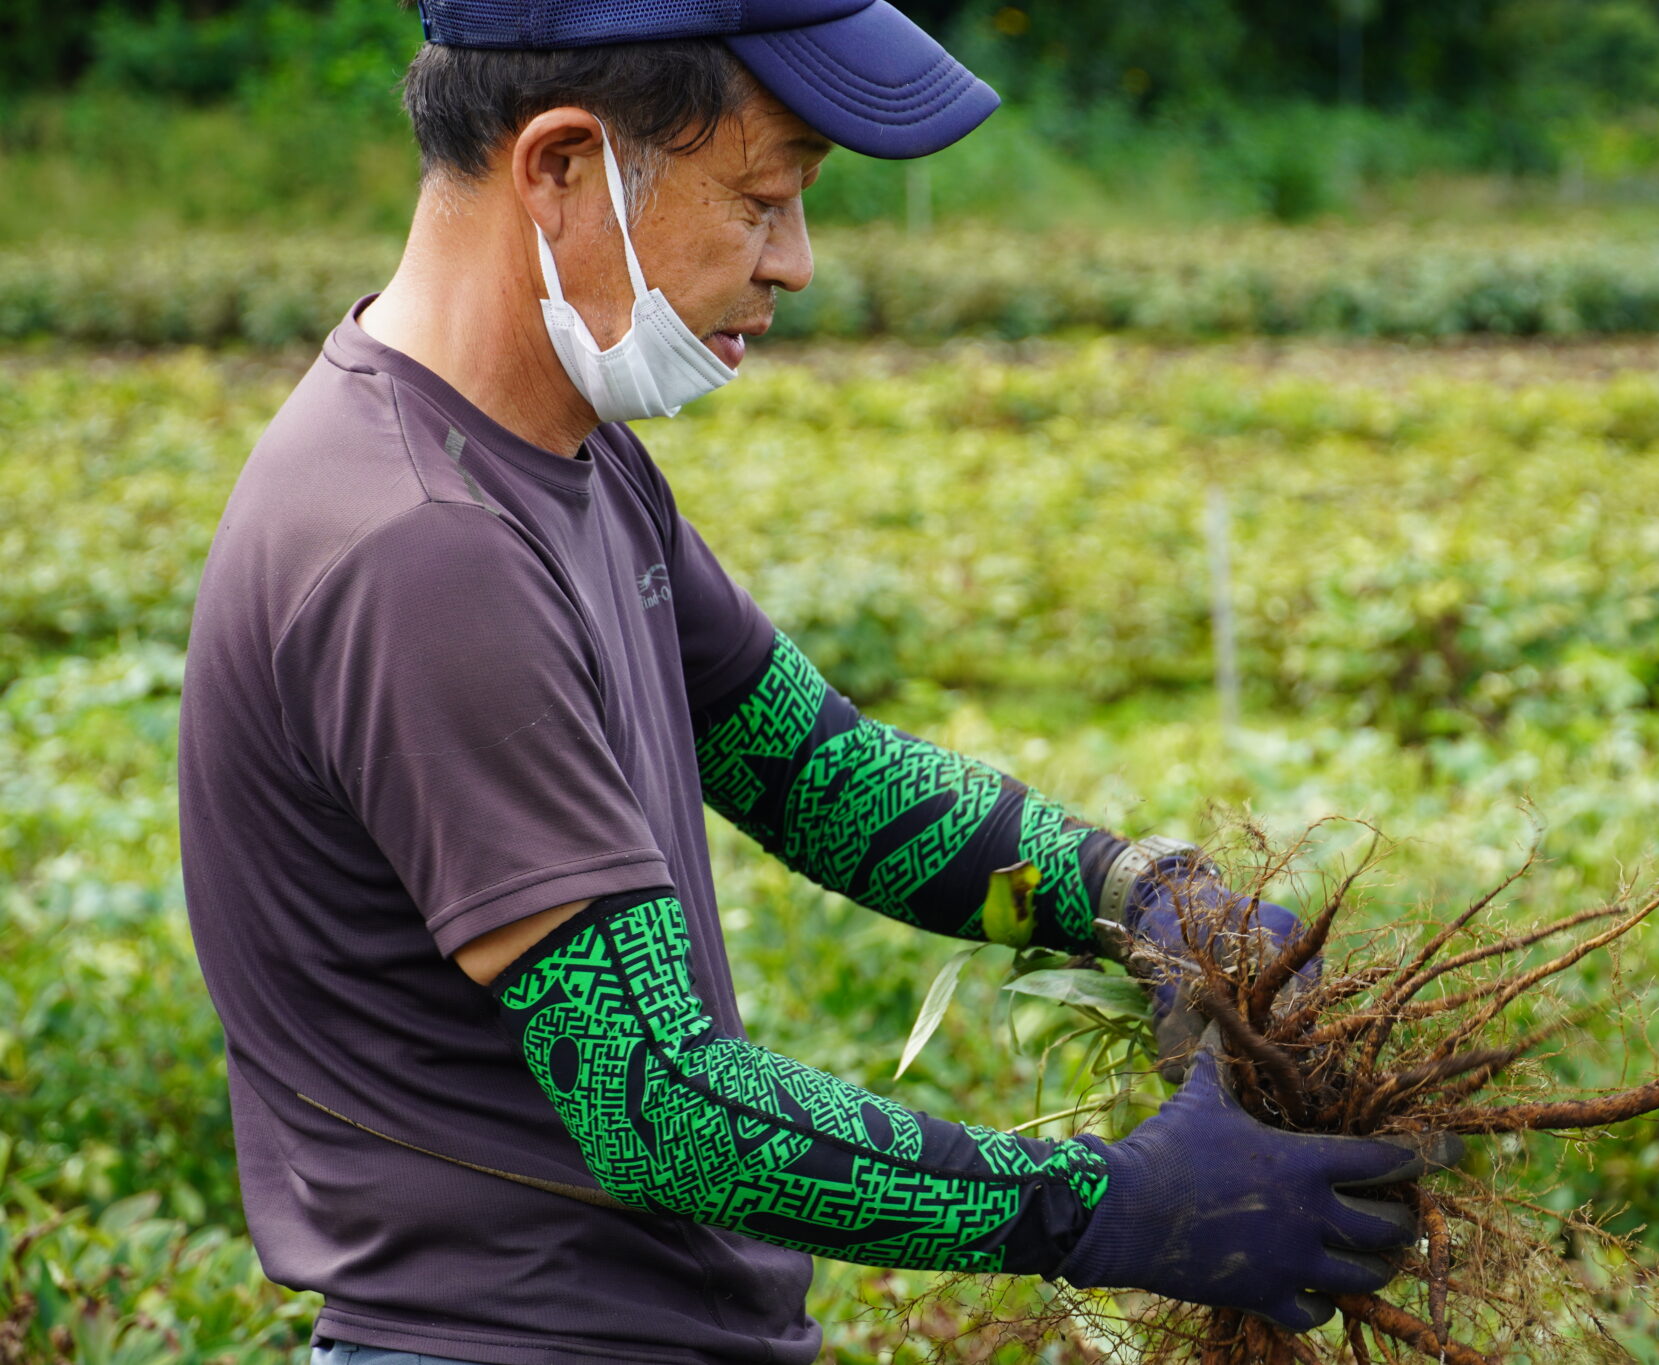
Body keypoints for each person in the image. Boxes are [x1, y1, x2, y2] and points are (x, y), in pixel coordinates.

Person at [177, 3, 1458, 1362]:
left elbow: (818, 773)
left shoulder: (563, 458)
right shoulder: (419, 549)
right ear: (559, 168)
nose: (794, 260)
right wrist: (1112, 1203)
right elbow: (662, 1100)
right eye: (763, 196)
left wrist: (1132, 893)